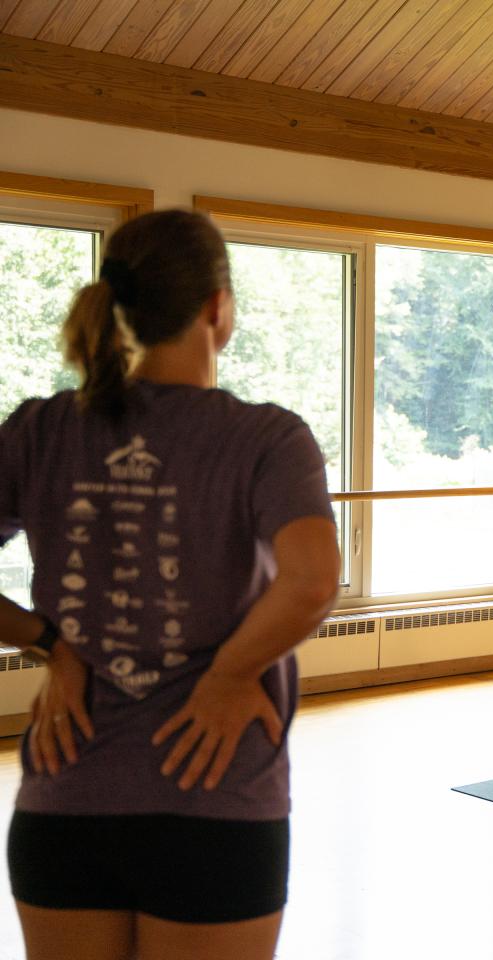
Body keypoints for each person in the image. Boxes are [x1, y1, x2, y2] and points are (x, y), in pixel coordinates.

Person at [0, 210, 339, 960]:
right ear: (219, 308)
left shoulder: (39, 429)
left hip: (66, 805)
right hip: (215, 803)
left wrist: (51, 643)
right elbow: (312, 581)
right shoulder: (266, 437)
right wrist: (229, 674)